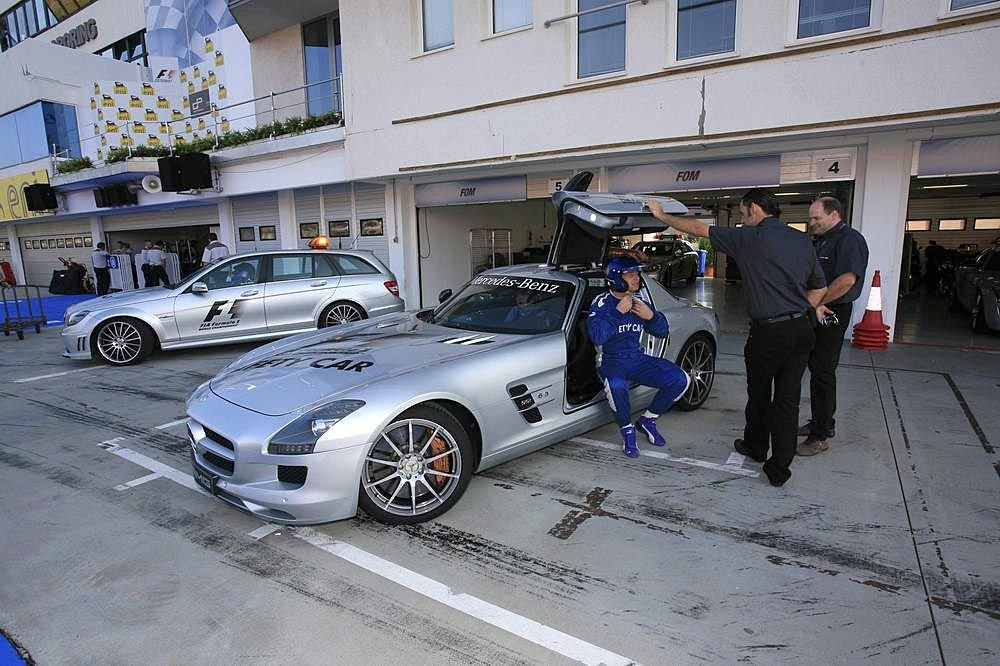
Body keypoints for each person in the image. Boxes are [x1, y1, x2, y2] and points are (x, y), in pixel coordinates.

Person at [647, 189, 828, 486]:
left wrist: (661, 215)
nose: (742, 220)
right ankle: (780, 468)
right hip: (802, 330)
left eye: (743, 214)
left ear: (754, 209)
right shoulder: (802, 240)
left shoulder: (749, 238)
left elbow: (697, 228)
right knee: (788, 399)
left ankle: (756, 447)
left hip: (769, 332)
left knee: (759, 392)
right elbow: (819, 287)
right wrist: (797, 309)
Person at [587, 254, 690, 458]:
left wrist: (651, 316)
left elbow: (662, 331)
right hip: (611, 361)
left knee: (680, 379)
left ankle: (647, 420)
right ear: (617, 278)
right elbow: (597, 337)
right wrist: (617, 313)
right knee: (617, 387)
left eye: (637, 274)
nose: (637, 278)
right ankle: (627, 431)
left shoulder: (639, 302)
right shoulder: (601, 303)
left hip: (636, 358)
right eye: (631, 274)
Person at [797, 197, 869, 456]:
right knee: (815, 367)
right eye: (811, 218)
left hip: (831, 310)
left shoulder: (850, 240)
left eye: (817, 218)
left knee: (823, 370)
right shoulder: (822, 239)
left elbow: (847, 280)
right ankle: (821, 422)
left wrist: (818, 303)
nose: (812, 222)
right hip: (816, 307)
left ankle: (820, 437)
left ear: (834, 214)